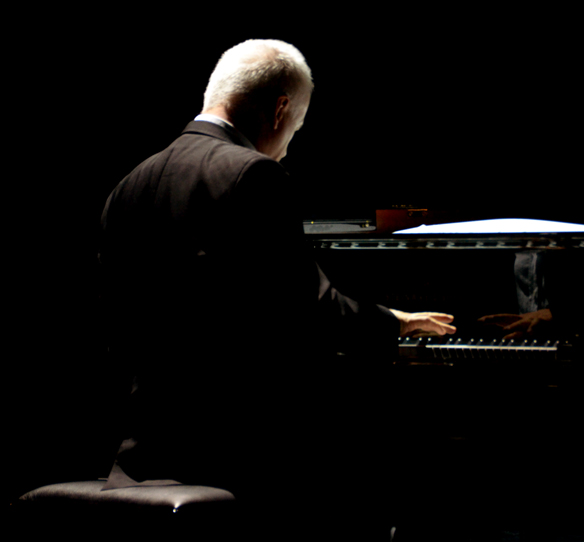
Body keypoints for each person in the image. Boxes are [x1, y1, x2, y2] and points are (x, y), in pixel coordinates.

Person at [99, 39, 455, 540]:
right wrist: (394, 322)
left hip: (145, 451)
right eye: (297, 126)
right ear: (281, 108)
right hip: (242, 456)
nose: (288, 146)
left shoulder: (130, 184)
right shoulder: (253, 173)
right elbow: (310, 308)